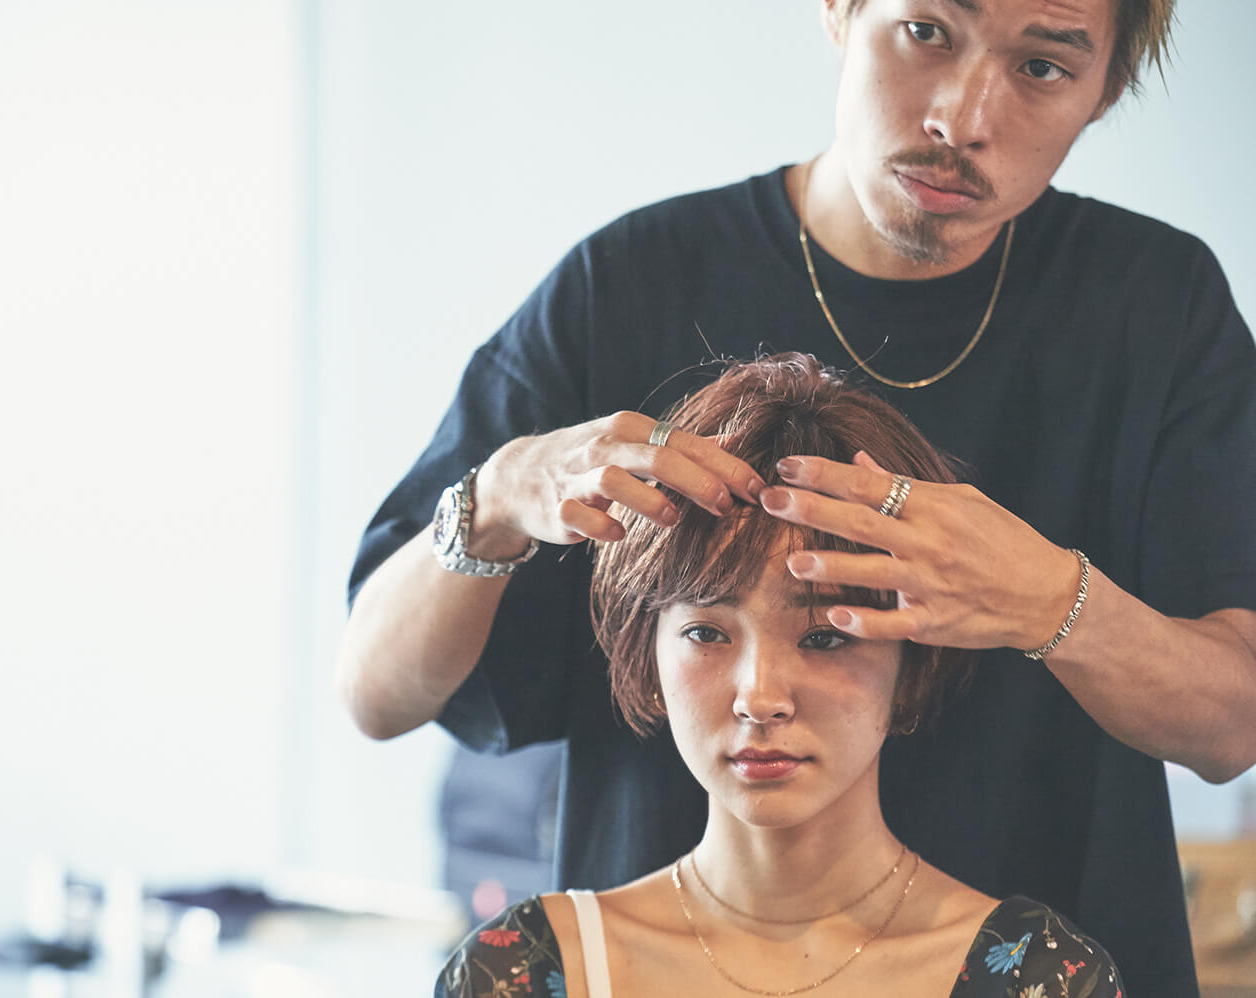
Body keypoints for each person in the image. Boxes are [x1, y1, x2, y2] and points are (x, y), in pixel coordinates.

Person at [337, 1, 1256, 992]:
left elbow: (1233, 723)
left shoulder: (1156, 306)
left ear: (1105, 91)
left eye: (1041, 68)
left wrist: (1048, 600)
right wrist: (497, 497)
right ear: (841, 10)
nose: (962, 119)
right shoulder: (627, 286)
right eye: (928, 31)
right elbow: (376, 693)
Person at [437, 354, 1123, 997]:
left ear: (913, 655)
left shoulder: (1036, 976)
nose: (760, 698)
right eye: (707, 633)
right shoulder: (525, 969)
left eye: (824, 637)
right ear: (646, 652)